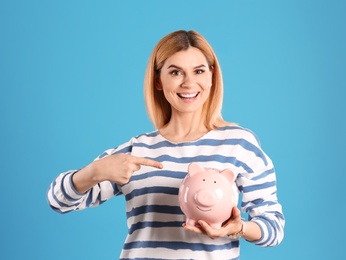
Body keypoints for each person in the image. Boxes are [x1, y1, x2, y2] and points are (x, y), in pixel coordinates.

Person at [47, 30, 285, 259]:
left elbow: (273, 228)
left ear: (212, 76)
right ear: (158, 81)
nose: (189, 83)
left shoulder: (239, 144)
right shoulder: (138, 151)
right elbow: (58, 201)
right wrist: (95, 171)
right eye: (175, 72)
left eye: (199, 71)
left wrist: (237, 228)